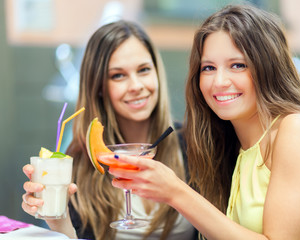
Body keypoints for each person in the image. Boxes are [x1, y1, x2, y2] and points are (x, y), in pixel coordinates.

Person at [105, 4, 300, 240]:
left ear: (268, 68)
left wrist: (175, 192)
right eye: (208, 68)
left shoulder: (296, 129)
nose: (219, 82)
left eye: (237, 65)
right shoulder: (235, 145)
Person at [21, 20, 196, 240]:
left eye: (144, 70)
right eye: (118, 75)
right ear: (99, 87)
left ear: (157, 72)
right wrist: (58, 219)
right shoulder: (80, 164)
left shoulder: (192, 145)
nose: (136, 86)